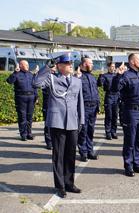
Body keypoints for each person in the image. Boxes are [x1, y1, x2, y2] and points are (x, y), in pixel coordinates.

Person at [33, 53, 84, 198]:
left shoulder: (77, 81)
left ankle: (69, 183)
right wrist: (47, 67)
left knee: (70, 155)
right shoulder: (52, 79)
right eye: (67, 63)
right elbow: (36, 83)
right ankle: (60, 186)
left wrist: (81, 120)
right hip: (58, 122)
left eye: (70, 63)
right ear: (59, 66)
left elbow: (80, 102)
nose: (70, 65)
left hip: (72, 122)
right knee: (59, 156)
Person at [118, 53, 139, 177]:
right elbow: (115, 89)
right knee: (130, 140)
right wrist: (117, 76)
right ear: (132, 61)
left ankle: (137, 163)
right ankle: (128, 165)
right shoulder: (125, 76)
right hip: (131, 112)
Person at [6, 60, 38, 141]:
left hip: (31, 97)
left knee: (29, 117)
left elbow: (34, 86)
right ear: (20, 65)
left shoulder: (31, 74)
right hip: (21, 98)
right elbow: (9, 81)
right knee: (22, 117)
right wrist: (15, 72)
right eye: (25, 65)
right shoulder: (17, 74)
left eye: (27, 65)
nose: (27, 66)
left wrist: (36, 97)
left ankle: (29, 134)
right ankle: (23, 134)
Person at [76, 57, 99, 162]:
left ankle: (90, 151)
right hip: (83, 107)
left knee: (90, 130)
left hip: (93, 107)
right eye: (91, 63)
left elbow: (96, 92)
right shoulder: (78, 77)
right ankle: (83, 152)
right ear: (84, 64)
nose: (93, 64)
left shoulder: (92, 77)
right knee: (83, 131)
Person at [98, 62, 121, 140]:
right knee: (109, 116)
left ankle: (113, 132)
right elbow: (100, 84)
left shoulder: (117, 75)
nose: (113, 68)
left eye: (114, 66)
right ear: (108, 67)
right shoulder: (105, 76)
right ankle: (108, 132)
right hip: (109, 96)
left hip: (117, 96)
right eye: (111, 66)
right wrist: (100, 76)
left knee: (115, 116)